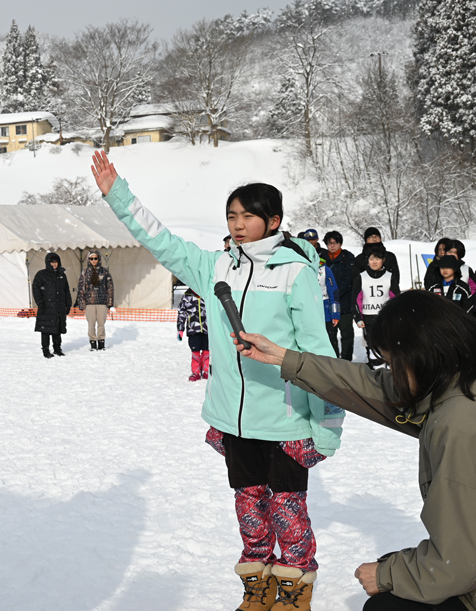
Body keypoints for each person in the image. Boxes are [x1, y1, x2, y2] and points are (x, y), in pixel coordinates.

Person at [91, 150, 344, 611]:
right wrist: (118, 195)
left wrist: (327, 426)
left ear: (274, 220)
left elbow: (319, 353)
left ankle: (295, 588)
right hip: (236, 420)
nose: (238, 223)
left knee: (288, 512)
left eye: (248, 215)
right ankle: (258, 585)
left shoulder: (295, 272)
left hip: (285, 421)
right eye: (232, 215)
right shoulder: (216, 267)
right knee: (249, 508)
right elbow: (162, 241)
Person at [234, 290, 476, 611]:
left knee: (387, 605)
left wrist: (386, 573)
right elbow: (373, 386)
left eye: (393, 362)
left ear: (421, 354)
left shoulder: (464, 427)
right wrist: (285, 359)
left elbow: (459, 564)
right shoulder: (471, 383)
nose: (389, 372)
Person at [351, 244, 400, 367]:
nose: (374, 262)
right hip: (368, 318)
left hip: (385, 318)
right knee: (372, 347)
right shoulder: (361, 277)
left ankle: (389, 372)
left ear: (383, 260)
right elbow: (356, 299)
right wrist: (357, 317)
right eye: (371, 258)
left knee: (387, 345)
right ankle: (376, 372)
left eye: (377, 258)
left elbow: (396, 299)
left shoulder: (389, 277)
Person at [323, 231, 356, 360]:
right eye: (329, 243)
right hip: (328, 302)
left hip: (345, 301)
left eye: (335, 242)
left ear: (340, 243)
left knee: (347, 333)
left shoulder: (348, 257)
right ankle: (334, 359)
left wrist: (335, 291)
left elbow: (349, 278)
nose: (332, 246)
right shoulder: (321, 257)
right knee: (331, 335)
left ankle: (347, 359)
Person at [33, 252, 73, 358]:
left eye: (56, 262)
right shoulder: (41, 275)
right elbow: (35, 289)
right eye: (52, 262)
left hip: (59, 307)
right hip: (46, 307)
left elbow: (66, 291)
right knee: (45, 330)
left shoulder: (62, 275)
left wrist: (68, 304)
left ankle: (57, 348)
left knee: (57, 329)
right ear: (48, 263)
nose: (54, 264)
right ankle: (45, 350)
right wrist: (40, 303)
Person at [75, 250, 114, 351]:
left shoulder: (105, 272)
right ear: (88, 259)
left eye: (95, 258)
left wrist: (110, 303)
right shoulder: (85, 273)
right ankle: (93, 343)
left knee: (101, 323)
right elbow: (81, 288)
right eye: (91, 258)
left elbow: (110, 288)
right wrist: (81, 303)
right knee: (91, 324)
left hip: (102, 302)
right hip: (90, 303)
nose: (93, 260)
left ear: (99, 259)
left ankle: (101, 343)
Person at [351, 227, 400, 293]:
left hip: (388, 292)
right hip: (366, 294)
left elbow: (395, 275)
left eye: (376, 236)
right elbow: (356, 279)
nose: (374, 238)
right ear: (366, 239)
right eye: (371, 236)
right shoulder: (360, 259)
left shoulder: (390, 256)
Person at [177, 287, 210, 381]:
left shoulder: (206, 295)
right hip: (193, 329)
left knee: (206, 350)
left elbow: (214, 311)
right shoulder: (187, 297)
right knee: (195, 351)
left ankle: (206, 371)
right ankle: (196, 372)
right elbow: (182, 313)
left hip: (207, 329)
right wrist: (180, 329)